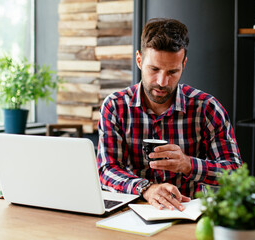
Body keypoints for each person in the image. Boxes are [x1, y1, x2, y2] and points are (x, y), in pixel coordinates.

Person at [97, 18, 242, 211]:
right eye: (154, 69)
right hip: (132, 212)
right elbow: (107, 170)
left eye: (173, 71)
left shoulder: (207, 108)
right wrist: (147, 189)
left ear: (184, 64)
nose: (162, 82)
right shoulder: (115, 107)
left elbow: (235, 173)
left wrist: (188, 164)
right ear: (139, 60)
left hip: (190, 215)